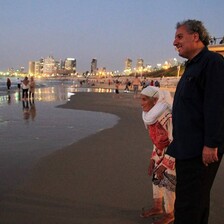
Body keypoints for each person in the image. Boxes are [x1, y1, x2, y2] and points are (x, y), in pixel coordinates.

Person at [164, 19, 224, 224]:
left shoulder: (212, 63)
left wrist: (211, 143)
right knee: (195, 202)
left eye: (179, 36)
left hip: (200, 150)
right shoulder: (192, 66)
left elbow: (216, 105)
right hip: (187, 147)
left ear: (196, 36)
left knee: (188, 206)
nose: (175, 42)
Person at [140, 86, 176, 224]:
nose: (141, 103)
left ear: (155, 100)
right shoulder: (151, 116)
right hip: (159, 152)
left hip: (171, 153)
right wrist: (153, 159)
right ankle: (157, 207)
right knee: (156, 180)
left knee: (168, 183)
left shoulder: (167, 116)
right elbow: (156, 140)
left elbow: (175, 140)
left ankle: (170, 213)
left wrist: (165, 164)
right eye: (140, 99)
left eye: (144, 100)